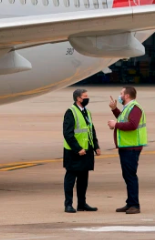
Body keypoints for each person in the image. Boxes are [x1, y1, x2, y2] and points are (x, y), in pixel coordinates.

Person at [107, 86, 147, 214]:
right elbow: (123, 119)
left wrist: (115, 125)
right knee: (127, 175)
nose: (119, 96)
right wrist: (114, 110)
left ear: (127, 96)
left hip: (132, 147)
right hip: (126, 146)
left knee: (130, 176)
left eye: (121, 94)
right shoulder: (128, 108)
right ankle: (130, 203)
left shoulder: (135, 108)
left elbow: (132, 125)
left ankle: (135, 205)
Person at [63, 88, 100, 213]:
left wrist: (96, 146)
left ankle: (82, 204)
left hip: (87, 151)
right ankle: (68, 204)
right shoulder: (71, 112)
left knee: (83, 179)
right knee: (71, 178)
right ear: (78, 98)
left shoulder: (87, 112)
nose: (87, 98)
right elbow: (67, 134)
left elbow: (91, 130)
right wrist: (77, 148)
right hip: (74, 152)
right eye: (85, 96)